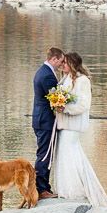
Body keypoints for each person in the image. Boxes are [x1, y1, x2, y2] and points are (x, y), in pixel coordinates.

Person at [51, 51, 107, 207]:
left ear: (72, 64)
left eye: (65, 62)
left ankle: (74, 190)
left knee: (71, 153)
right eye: (62, 62)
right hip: (63, 124)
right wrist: (56, 104)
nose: (62, 65)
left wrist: (65, 108)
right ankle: (65, 189)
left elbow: (84, 105)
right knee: (64, 155)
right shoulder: (65, 79)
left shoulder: (82, 80)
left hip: (73, 125)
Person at [32, 46, 62, 199]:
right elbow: (56, 99)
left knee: (43, 153)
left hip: (39, 118)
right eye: (60, 62)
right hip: (45, 121)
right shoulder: (47, 76)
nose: (61, 65)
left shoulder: (41, 71)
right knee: (45, 155)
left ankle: (43, 187)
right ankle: (41, 189)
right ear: (54, 59)